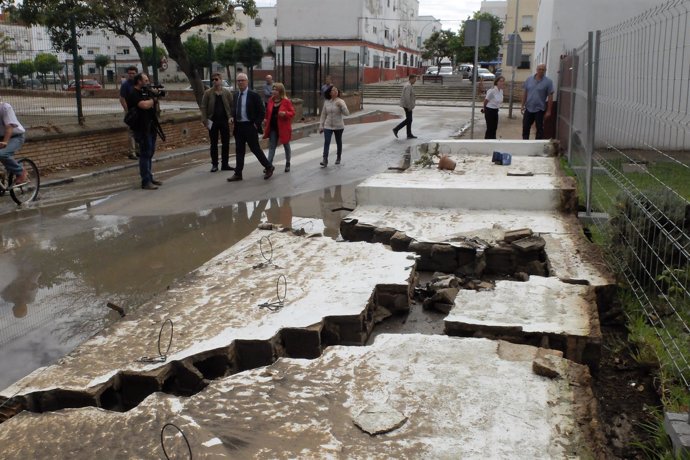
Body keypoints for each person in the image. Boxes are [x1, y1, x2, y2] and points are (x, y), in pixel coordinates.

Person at [227, 72, 275, 182]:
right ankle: (238, 173)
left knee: (255, 149)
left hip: (250, 126)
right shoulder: (235, 95)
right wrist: (232, 117)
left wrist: (256, 123)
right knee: (239, 150)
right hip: (239, 127)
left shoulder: (254, 95)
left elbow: (262, 111)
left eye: (242, 80)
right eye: (238, 80)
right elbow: (234, 109)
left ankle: (268, 167)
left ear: (247, 81)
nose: (240, 82)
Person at [126, 73, 162, 190]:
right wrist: (154, 99)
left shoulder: (144, 92)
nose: (147, 82)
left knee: (150, 153)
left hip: (150, 126)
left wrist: (155, 94)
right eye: (145, 80)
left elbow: (150, 105)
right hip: (141, 128)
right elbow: (144, 105)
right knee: (145, 154)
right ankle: (145, 181)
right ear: (139, 81)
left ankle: (150, 177)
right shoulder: (133, 93)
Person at [201, 72, 234, 173]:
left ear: (221, 80)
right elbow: (204, 107)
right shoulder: (208, 93)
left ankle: (225, 164)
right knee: (213, 143)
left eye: (216, 79)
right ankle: (214, 164)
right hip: (213, 121)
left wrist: (231, 117)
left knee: (226, 143)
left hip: (224, 120)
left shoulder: (227, 92)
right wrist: (205, 120)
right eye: (213, 80)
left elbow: (232, 105)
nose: (214, 81)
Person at [263, 82, 295, 173]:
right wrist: (265, 119)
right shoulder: (270, 100)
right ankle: (269, 165)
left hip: (283, 128)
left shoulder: (286, 101)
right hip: (273, 127)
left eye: (276, 90)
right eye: (273, 89)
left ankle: (288, 163)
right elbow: (267, 112)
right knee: (272, 147)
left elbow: (292, 113)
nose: (273, 91)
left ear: (280, 91)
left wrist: (285, 114)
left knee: (286, 145)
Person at [521, 63, 554, 140]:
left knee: (539, 128)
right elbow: (525, 93)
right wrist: (522, 105)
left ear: (545, 71)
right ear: (536, 70)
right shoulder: (529, 79)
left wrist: (549, 111)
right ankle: (525, 143)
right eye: (540, 69)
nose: (541, 71)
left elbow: (550, 97)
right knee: (525, 127)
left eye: (543, 69)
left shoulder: (548, 82)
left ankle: (536, 145)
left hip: (540, 109)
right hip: (529, 108)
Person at [319, 85, 349, 167]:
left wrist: (342, 106)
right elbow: (323, 115)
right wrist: (321, 125)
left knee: (338, 141)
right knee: (327, 142)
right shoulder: (326, 102)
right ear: (330, 93)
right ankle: (325, 160)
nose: (335, 91)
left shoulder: (341, 101)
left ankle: (338, 157)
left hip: (339, 126)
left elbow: (347, 113)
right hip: (328, 125)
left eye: (336, 90)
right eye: (333, 90)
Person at [0, 100, 28, 187]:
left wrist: (5, 142)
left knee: (2, 154)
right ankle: (2, 174)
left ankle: (21, 172)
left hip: (15, 136)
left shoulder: (5, 108)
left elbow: (9, 127)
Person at [119, 66, 139, 160]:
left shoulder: (138, 83)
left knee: (139, 130)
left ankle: (139, 151)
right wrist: (127, 111)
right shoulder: (125, 85)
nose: (131, 75)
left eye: (133, 73)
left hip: (139, 109)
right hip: (130, 111)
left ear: (136, 74)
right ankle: (132, 153)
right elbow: (122, 98)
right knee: (131, 132)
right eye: (130, 73)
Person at [392, 74, 417, 139]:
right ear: (411, 79)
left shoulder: (409, 85)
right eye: (414, 79)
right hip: (407, 105)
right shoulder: (408, 86)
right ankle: (396, 129)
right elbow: (407, 97)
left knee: (409, 120)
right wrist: (409, 106)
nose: (415, 81)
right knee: (409, 119)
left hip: (407, 105)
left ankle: (409, 134)